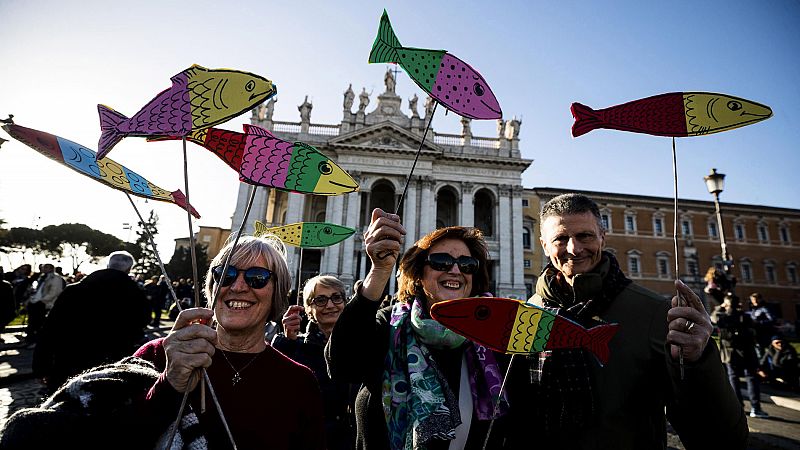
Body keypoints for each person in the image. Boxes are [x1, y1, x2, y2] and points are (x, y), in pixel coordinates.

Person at [524, 193, 746, 448]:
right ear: (543, 245)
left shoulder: (655, 312)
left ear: (602, 237)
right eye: (561, 239)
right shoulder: (530, 311)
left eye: (584, 236)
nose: (574, 249)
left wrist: (700, 361)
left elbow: (721, 439)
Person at [327, 208, 524, 449]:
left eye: (467, 264)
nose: (455, 270)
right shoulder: (389, 326)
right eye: (441, 262)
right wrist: (378, 272)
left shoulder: (494, 339)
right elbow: (342, 366)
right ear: (419, 275)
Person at [134, 235, 325, 449]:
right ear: (212, 287)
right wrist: (168, 385)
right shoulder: (158, 355)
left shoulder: (299, 382)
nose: (238, 287)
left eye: (257, 277)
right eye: (226, 274)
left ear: (277, 293)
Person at [32, 251, 151, 393]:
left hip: (69, 360)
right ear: (128, 269)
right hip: (111, 366)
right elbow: (142, 323)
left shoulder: (74, 290)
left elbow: (50, 329)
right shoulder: (136, 295)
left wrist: (41, 366)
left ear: (107, 265)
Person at [272, 275, 356, 450]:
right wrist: (286, 341)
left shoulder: (360, 343)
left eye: (336, 298)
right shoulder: (294, 346)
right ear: (308, 309)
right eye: (320, 300)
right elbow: (275, 388)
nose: (330, 305)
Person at [713, 292, 769, 418]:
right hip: (747, 351)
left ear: (726, 304)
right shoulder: (745, 316)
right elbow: (754, 329)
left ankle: (739, 407)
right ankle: (756, 407)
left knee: (733, 379)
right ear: (738, 303)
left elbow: (712, 317)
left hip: (729, 352)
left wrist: (720, 307)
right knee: (751, 378)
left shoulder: (722, 317)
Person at [25, 263, 64, 343]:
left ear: (51, 269)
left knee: (39, 323)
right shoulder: (41, 277)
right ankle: (30, 339)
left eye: (46, 267)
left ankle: (36, 340)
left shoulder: (55, 278)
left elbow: (55, 291)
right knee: (32, 322)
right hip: (35, 301)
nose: (44, 269)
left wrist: (43, 301)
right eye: (44, 267)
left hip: (43, 303)